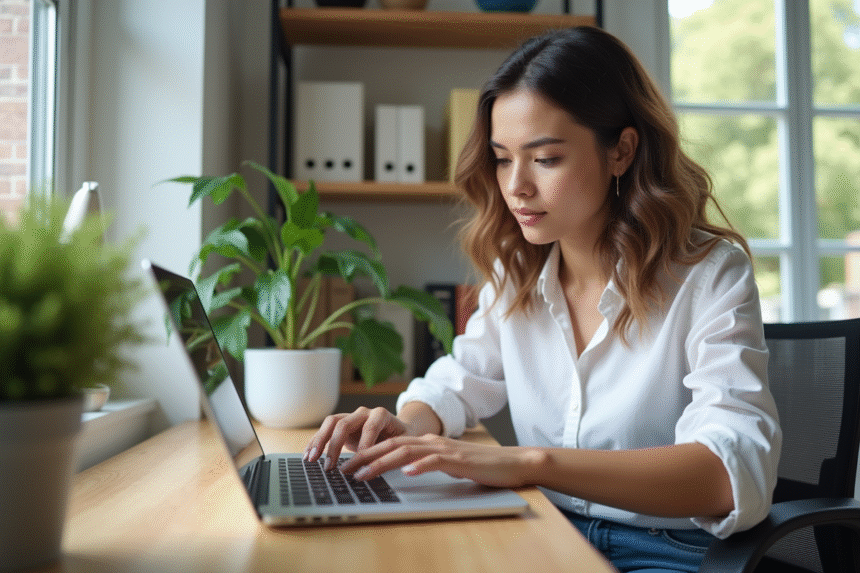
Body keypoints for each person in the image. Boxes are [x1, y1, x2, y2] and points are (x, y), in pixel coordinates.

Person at [304, 26, 781, 573]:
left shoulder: (709, 274)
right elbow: (461, 379)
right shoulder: (518, 270)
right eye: (503, 158)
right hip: (545, 530)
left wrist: (530, 463)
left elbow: (728, 474)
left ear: (621, 151)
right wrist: (408, 426)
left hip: (668, 551)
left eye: (545, 158)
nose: (516, 187)